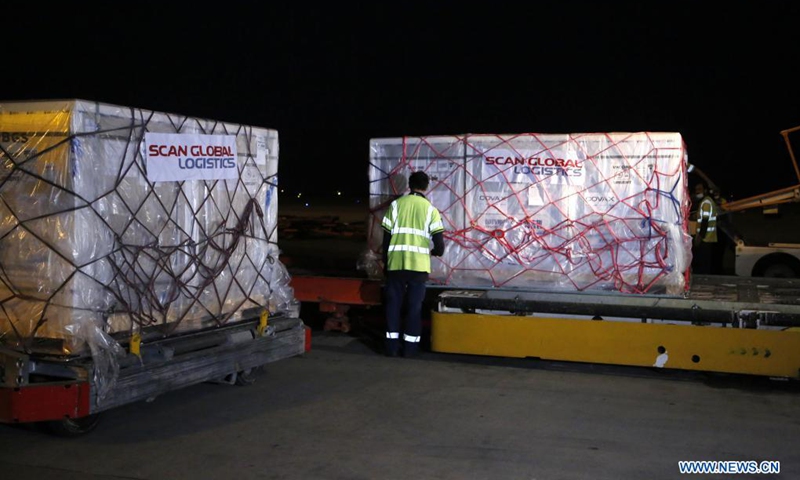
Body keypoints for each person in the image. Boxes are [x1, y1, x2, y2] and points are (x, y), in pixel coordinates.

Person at [381, 171, 445, 357]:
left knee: (393, 306)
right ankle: (410, 349)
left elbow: (386, 239)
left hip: (396, 265)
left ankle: (391, 347)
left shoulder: (396, 205)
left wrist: (386, 262)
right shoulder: (430, 209)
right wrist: (433, 252)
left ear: (409, 186)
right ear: (426, 187)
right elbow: (440, 246)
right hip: (418, 267)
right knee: (414, 308)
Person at [692, 182, 720, 274]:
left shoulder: (706, 202)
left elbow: (704, 222)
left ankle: (703, 279)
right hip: (707, 237)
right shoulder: (706, 201)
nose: (697, 192)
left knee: (702, 264)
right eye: (696, 190)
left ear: (705, 190)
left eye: (699, 189)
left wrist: (699, 238)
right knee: (705, 263)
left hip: (705, 238)